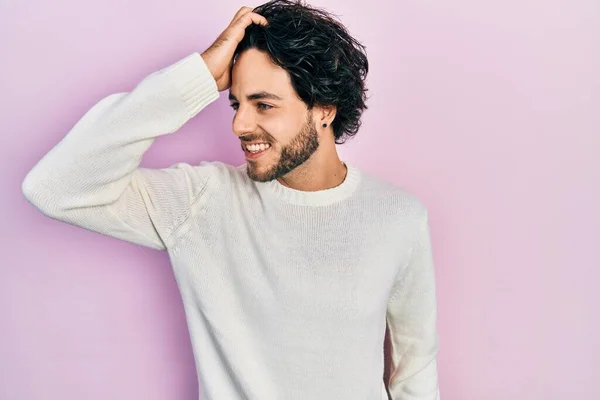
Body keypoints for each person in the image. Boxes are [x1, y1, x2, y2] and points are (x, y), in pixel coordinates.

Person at [21, 1, 441, 399]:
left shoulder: (397, 217)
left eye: (264, 104)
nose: (240, 124)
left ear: (324, 109)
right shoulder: (200, 202)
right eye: (236, 103)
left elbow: (415, 369)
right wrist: (198, 77)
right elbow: (54, 187)